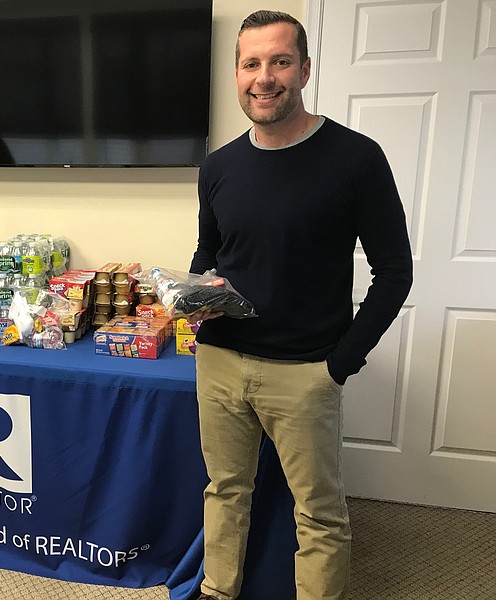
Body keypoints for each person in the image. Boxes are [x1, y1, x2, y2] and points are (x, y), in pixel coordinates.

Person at [189, 11, 412, 600]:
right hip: (218, 364)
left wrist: (339, 364)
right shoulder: (218, 165)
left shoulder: (357, 158)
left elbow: (394, 273)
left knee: (318, 513)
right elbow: (211, 250)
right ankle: (217, 589)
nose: (265, 77)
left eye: (280, 61)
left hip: (306, 372)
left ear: (305, 69)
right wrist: (190, 291)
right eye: (251, 64)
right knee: (224, 491)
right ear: (237, 74)